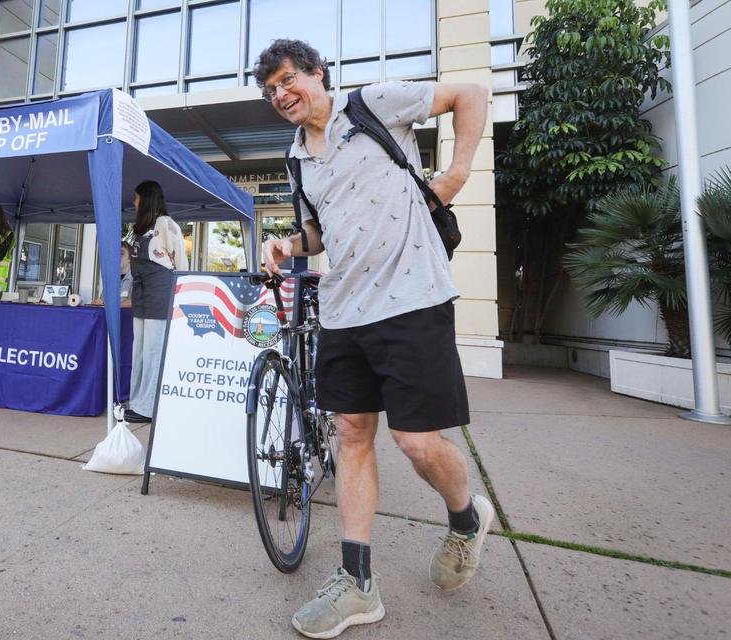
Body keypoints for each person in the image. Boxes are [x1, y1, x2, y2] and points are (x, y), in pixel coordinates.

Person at [255, 39, 495, 638]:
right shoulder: (295, 157)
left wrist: (458, 172)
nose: (282, 95)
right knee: (351, 435)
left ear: (317, 74)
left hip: (412, 298)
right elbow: (319, 230)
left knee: (416, 442)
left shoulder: (371, 105)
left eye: (288, 81)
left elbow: (470, 93)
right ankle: (357, 582)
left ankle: (466, 519)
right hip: (344, 311)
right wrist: (289, 244)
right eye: (271, 91)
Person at [123, 181, 186, 423]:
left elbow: (180, 264)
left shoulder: (166, 224)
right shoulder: (140, 228)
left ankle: (149, 407)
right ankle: (137, 401)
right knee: (139, 351)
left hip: (160, 293)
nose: (134, 202)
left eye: (136, 198)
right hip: (142, 292)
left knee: (153, 351)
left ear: (147, 199)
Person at [92, 241, 133, 307]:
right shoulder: (111, 280)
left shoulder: (136, 278)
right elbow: (102, 301)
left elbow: (136, 302)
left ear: (130, 259)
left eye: (122, 254)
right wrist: (96, 304)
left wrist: (112, 306)